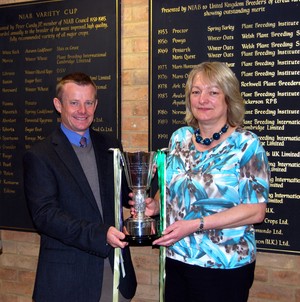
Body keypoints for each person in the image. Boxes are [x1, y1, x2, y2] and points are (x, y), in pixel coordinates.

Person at [135, 61, 270, 302]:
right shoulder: (179, 138)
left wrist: (195, 224)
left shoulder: (247, 145)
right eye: (196, 92)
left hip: (224, 265)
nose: (202, 99)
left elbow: (255, 211)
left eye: (213, 92)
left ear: (229, 98)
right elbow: (171, 188)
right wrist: (155, 206)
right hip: (176, 258)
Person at [23, 72, 137, 302]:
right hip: (68, 282)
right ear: (58, 105)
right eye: (74, 103)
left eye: (88, 103)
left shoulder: (110, 146)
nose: (82, 111)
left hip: (115, 274)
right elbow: (46, 216)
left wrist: (142, 200)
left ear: (95, 105)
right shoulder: (40, 155)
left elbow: (124, 194)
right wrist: (100, 234)